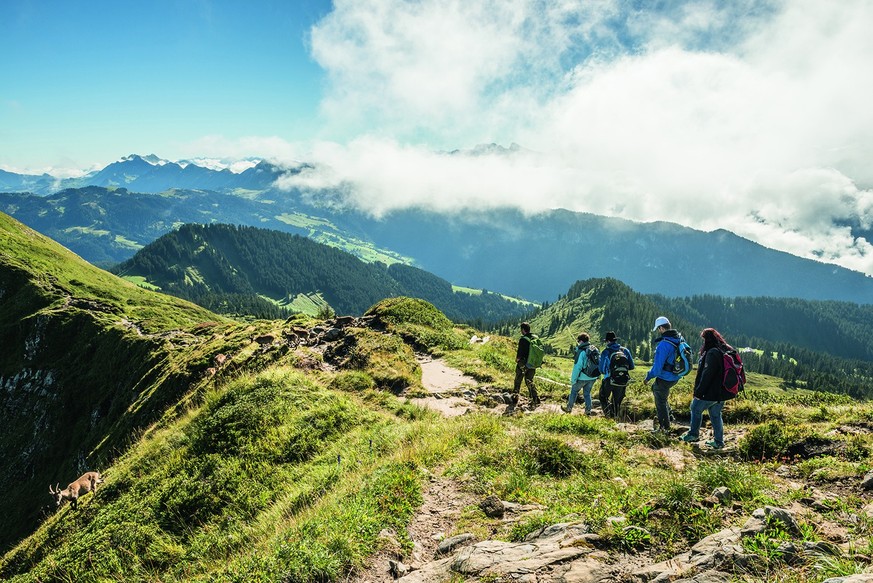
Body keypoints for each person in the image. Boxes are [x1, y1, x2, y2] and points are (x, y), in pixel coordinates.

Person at [681, 328, 732, 449]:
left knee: (695, 408)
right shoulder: (723, 350)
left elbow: (707, 375)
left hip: (711, 392)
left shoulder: (712, 353)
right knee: (715, 414)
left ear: (708, 339)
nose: (703, 342)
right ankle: (719, 442)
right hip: (721, 392)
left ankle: (693, 434)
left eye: (704, 339)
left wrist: (698, 392)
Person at [643, 316, 685, 432]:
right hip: (676, 376)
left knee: (660, 399)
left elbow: (657, 369)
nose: (658, 331)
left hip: (665, 377)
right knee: (660, 393)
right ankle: (669, 416)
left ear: (661, 328)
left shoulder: (663, 344)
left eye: (658, 329)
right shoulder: (679, 338)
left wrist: (648, 377)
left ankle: (664, 428)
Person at [598, 331, 634, 418]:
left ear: (607, 341)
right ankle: (615, 418)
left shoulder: (605, 352)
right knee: (616, 402)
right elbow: (631, 366)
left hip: (609, 379)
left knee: (603, 397)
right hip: (622, 380)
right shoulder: (625, 350)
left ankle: (608, 416)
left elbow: (602, 370)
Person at [563, 333, 599, 415]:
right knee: (587, 393)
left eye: (578, 341)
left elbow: (577, 367)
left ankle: (569, 408)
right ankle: (588, 411)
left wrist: (573, 380)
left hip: (582, 377)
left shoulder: (581, 351)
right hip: (592, 377)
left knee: (574, 391)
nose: (578, 343)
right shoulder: (594, 349)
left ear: (581, 341)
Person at [512, 322, 541, 408]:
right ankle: (535, 399)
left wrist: (517, 360)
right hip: (532, 363)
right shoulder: (534, 338)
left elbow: (520, 353)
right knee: (529, 380)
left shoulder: (523, 339)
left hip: (523, 363)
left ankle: (515, 397)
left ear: (523, 330)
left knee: (518, 379)